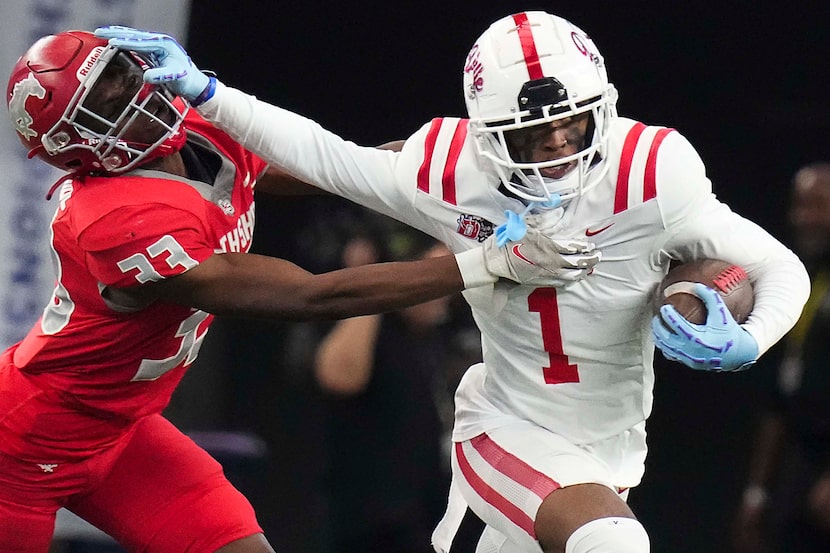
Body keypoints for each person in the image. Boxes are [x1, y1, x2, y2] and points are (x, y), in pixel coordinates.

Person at [96, 11, 811, 553]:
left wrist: (748, 336)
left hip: (610, 452)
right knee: (614, 544)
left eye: (572, 124)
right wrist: (210, 95)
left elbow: (777, 267)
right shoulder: (451, 169)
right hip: (505, 429)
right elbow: (328, 158)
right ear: (486, 133)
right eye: (535, 135)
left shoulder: (652, 171)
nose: (559, 146)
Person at [0, 30, 602, 553]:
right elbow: (312, 296)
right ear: (78, 147)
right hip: (22, 445)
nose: (135, 97)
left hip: (124, 430)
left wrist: (486, 166)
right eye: (106, 106)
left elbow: (343, 169)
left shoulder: (199, 132)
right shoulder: (112, 220)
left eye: (122, 76)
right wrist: (490, 262)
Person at [310, 227, 463, 553]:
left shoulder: (429, 340)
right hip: (372, 525)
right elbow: (339, 376)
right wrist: (374, 283)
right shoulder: (374, 326)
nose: (443, 294)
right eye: (432, 280)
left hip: (425, 517)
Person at [732, 162, 830, 553]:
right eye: (800, 206)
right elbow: (778, 396)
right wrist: (756, 493)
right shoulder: (799, 278)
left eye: (819, 206)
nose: (805, 218)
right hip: (802, 464)